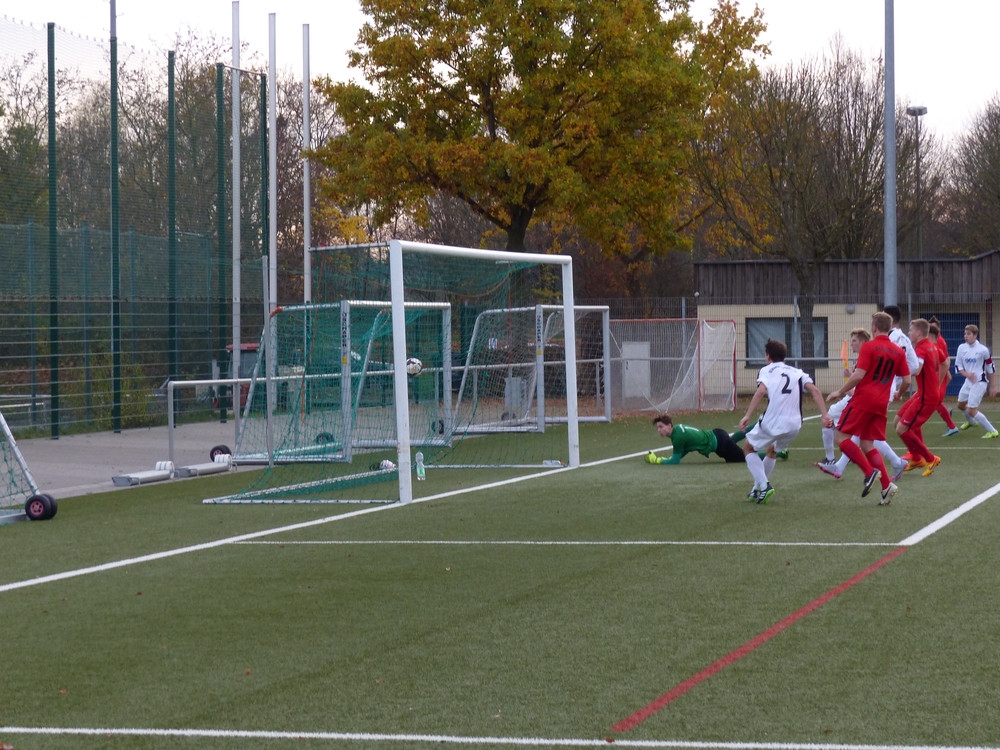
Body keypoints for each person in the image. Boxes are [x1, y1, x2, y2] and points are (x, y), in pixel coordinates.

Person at [827, 311, 911, 505]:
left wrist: (839, 391)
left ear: (874, 327)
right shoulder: (898, 351)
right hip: (881, 403)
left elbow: (858, 375)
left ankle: (868, 472)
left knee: (840, 436)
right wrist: (899, 393)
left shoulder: (869, 347)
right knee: (867, 444)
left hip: (863, 399)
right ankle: (887, 487)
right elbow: (907, 380)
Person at [739, 339, 833, 504]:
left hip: (773, 421)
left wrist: (747, 415)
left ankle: (764, 485)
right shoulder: (797, 372)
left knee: (748, 448)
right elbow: (815, 390)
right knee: (772, 450)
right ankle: (757, 489)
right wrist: (825, 415)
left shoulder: (766, 370)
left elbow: (761, 391)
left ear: (768, 356)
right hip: (794, 424)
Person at [814, 328, 907, 482]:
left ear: (864, 341)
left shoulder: (871, 351)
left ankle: (834, 461)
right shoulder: (883, 353)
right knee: (865, 437)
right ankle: (891, 470)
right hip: (878, 398)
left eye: (854, 341)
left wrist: (842, 390)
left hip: (865, 399)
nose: (852, 344)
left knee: (832, 421)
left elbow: (864, 381)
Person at [894, 318, 942, 477]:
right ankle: (916, 458)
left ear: (919, 333)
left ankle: (930, 459)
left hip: (926, 397)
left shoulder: (921, 349)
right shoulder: (931, 346)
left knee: (902, 428)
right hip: (922, 394)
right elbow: (943, 363)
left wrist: (898, 369)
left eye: (911, 330)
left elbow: (917, 369)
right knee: (897, 421)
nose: (909, 333)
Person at [645, 415, 749, 464]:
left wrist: (656, 460)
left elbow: (674, 461)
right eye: (658, 427)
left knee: (748, 458)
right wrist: (668, 459)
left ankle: (755, 429)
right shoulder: (677, 429)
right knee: (733, 458)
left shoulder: (677, 437)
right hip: (718, 437)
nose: (659, 430)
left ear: (669, 426)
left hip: (721, 443)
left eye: (661, 427)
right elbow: (685, 449)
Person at [954, 324, 999, 437]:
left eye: (968, 334)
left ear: (975, 335)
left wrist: (993, 386)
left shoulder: (983, 350)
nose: (966, 336)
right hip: (968, 381)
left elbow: (990, 367)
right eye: (965, 334)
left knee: (971, 410)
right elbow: (958, 365)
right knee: (960, 405)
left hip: (979, 382)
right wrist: (967, 374)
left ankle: (993, 431)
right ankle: (972, 422)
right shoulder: (961, 348)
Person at [929, 317, 960, 436]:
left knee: (934, 402)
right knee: (935, 402)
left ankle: (952, 426)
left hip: (939, 376)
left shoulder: (939, 341)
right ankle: (949, 419)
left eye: (934, 327)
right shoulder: (936, 341)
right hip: (937, 375)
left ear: (939, 328)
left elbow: (945, 361)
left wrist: (942, 377)